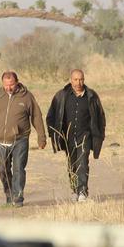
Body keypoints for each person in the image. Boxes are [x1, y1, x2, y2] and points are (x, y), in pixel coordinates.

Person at [0, 71, 46, 207]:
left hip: (20, 140)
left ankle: (18, 197)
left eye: (11, 84)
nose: (9, 88)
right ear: (2, 83)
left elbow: (36, 116)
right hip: (1, 141)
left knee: (18, 168)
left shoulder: (26, 96)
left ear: (17, 82)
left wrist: (41, 137)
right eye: (6, 85)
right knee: (3, 169)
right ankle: (9, 193)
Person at [45, 68, 105, 202]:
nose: (79, 82)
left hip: (85, 136)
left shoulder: (91, 95)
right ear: (70, 80)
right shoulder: (61, 95)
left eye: (81, 79)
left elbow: (100, 116)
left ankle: (83, 191)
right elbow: (50, 116)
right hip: (68, 137)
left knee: (83, 163)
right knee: (72, 164)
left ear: (84, 79)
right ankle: (74, 190)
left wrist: (99, 134)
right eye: (76, 79)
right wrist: (53, 134)